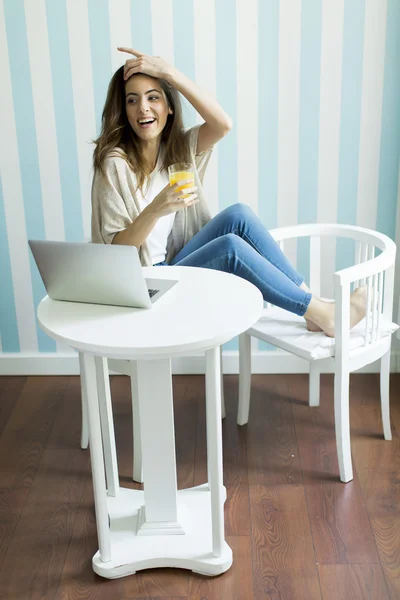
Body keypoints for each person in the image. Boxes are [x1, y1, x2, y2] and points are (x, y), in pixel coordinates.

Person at [91, 47, 367, 338]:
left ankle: (317, 311)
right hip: (143, 284)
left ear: (169, 107)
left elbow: (223, 124)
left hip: (171, 267)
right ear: (124, 111)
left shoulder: (177, 152)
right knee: (230, 249)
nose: (143, 108)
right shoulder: (115, 164)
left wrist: (170, 74)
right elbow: (117, 253)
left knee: (239, 215)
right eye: (132, 101)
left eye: (153, 97)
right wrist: (156, 208)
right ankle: (324, 315)